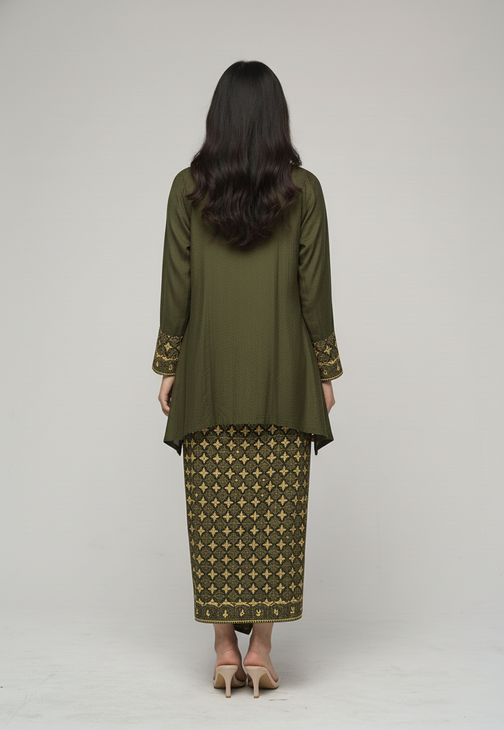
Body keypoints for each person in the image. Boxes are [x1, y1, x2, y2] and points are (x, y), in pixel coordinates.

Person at [152, 60, 343, 698]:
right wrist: (325, 369)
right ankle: (260, 650)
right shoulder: (304, 190)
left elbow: (177, 284)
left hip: (207, 378)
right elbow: (314, 288)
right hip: (283, 379)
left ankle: (223, 651)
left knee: (214, 516)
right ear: (276, 120)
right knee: (275, 517)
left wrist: (169, 363)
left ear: (219, 119)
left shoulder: (187, 189)